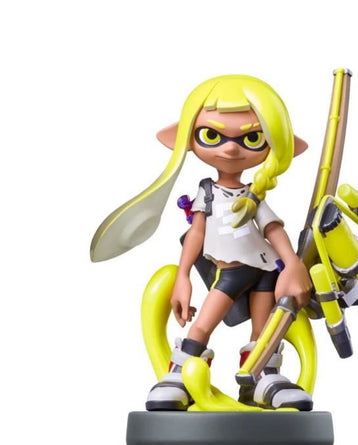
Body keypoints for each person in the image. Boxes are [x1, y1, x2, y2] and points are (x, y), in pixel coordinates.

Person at [91, 75, 313, 411]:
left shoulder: (254, 194)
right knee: (204, 324)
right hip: (231, 271)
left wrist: (293, 264)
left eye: (252, 138)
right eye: (212, 135)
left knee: (264, 331)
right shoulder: (207, 192)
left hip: (266, 269)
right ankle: (180, 374)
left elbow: (272, 229)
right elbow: (196, 234)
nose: (231, 148)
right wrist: (183, 276)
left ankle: (263, 378)